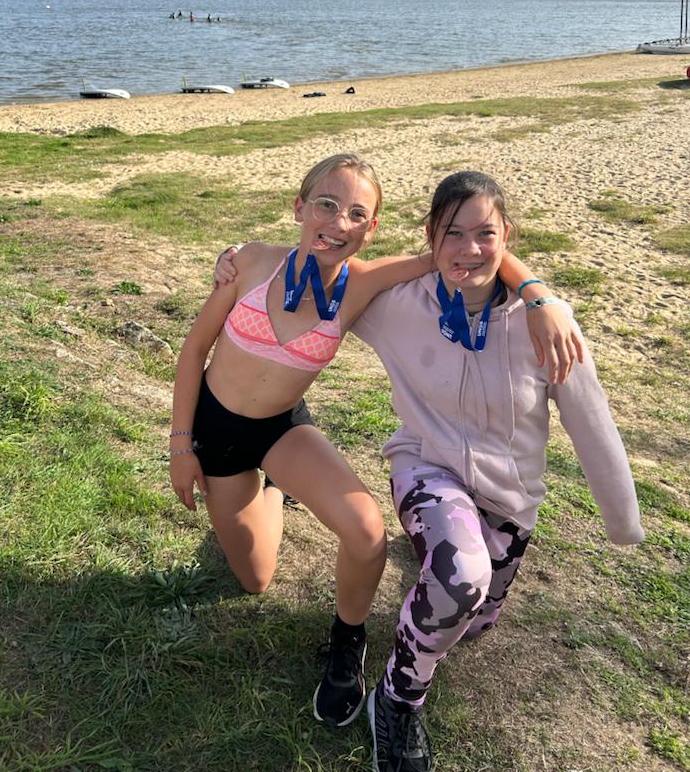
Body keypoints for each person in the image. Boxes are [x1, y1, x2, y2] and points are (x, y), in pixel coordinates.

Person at [176, 154, 582, 734]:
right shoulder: (251, 262)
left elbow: (462, 251)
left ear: (370, 230)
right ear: (299, 206)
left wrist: (539, 296)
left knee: (366, 531)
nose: (337, 222)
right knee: (255, 580)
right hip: (216, 434)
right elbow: (194, 351)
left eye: (356, 214)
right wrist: (181, 446)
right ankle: (272, 494)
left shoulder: (362, 283)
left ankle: (348, 640)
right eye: (326, 204)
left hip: (282, 430)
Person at [345, 170, 643, 772]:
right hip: (426, 467)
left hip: (510, 498)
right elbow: (324, 278)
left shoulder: (546, 324)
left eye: (485, 234)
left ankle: (445, 559)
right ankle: (397, 699)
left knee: (473, 620)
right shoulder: (398, 305)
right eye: (452, 234)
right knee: (460, 580)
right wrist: (240, 260)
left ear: (509, 236)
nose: (469, 249)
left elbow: (591, 422)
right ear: (430, 235)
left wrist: (623, 522)